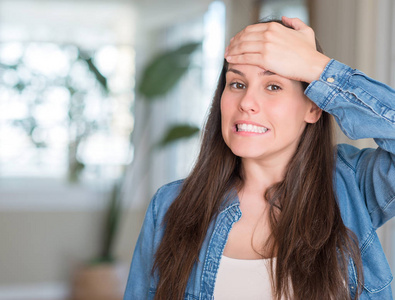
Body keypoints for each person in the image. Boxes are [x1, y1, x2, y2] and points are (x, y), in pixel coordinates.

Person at [124, 16, 395, 299]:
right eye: (237, 84)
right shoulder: (168, 206)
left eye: (273, 86)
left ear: (313, 108)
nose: (246, 103)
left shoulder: (354, 186)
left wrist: (317, 68)